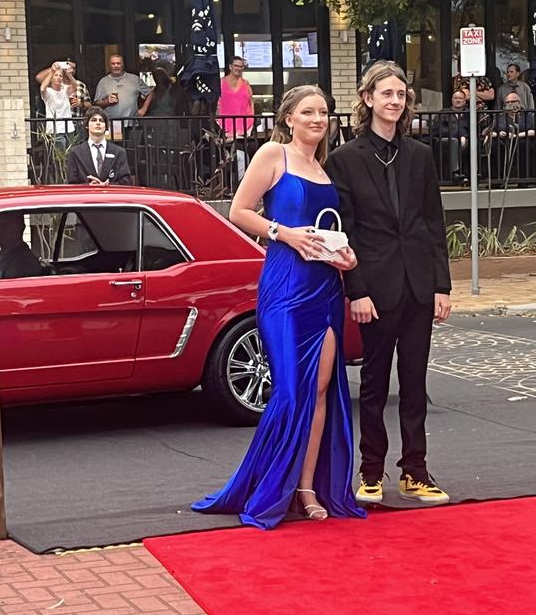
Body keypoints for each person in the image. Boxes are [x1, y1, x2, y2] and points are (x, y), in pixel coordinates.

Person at [192, 85, 366, 529]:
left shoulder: (324, 169)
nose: (317, 119)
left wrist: (345, 258)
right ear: (288, 118)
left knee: (323, 390)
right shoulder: (273, 155)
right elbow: (239, 210)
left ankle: (305, 487)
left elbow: (330, 232)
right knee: (289, 391)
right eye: (308, 111)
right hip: (285, 290)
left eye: (323, 112)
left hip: (326, 287)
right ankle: (270, 484)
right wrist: (284, 233)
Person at [325, 61, 452, 506]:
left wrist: (442, 286)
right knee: (375, 384)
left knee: (415, 382)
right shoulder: (344, 159)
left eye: (401, 94)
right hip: (374, 289)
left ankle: (415, 470)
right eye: (387, 94)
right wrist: (355, 290)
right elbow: (347, 232)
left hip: (419, 285)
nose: (395, 101)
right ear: (367, 99)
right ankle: (371, 472)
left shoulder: (420, 155)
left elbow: (433, 223)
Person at [66, 106, 132, 186]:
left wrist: (108, 185)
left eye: (101, 121)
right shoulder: (75, 153)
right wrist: (88, 186)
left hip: (111, 196)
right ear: (86, 125)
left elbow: (126, 181)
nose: (98, 123)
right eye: (93, 120)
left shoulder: (119, 152)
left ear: (106, 126)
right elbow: (72, 183)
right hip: (86, 197)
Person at [217, 56, 255, 183]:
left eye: (241, 66)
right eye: (236, 66)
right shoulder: (221, 83)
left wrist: (250, 122)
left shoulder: (246, 84)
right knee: (232, 157)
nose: (239, 69)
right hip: (224, 128)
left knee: (242, 155)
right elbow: (216, 104)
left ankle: (241, 184)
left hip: (244, 128)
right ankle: (231, 185)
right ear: (230, 67)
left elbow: (251, 103)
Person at [94, 54, 151, 121]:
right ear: (109, 65)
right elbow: (96, 104)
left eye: (118, 63)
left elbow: (150, 93)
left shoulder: (134, 79)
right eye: (113, 64)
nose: (116, 66)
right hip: (111, 123)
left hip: (132, 122)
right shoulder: (103, 82)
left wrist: (143, 109)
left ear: (123, 64)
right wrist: (107, 101)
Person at [430, 89, 470, 183]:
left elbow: (474, 128)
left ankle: (474, 173)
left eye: (460, 98)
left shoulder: (469, 114)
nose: (458, 100)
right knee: (454, 141)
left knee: (474, 142)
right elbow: (437, 129)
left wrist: (465, 136)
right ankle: (455, 172)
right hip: (445, 140)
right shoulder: (443, 113)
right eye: (455, 98)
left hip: (465, 140)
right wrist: (458, 136)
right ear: (452, 100)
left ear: (465, 101)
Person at [39, 63, 74, 145]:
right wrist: (51, 72)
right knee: (60, 154)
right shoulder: (48, 92)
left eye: (60, 76)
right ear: (52, 78)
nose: (58, 77)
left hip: (68, 127)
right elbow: (42, 88)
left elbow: (74, 86)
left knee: (71, 153)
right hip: (55, 129)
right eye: (56, 75)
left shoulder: (65, 89)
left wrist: (69, 75)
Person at [0, 213, 42, 280]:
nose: (0, 230)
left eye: (4, 225)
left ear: (20, 228)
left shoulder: (23, 263)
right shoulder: (6, 254)